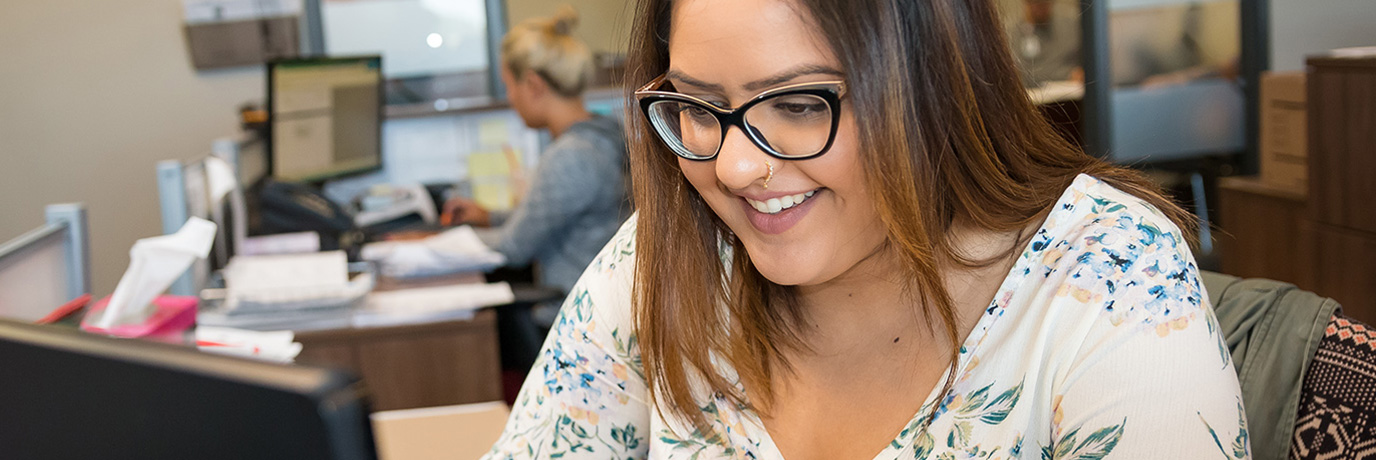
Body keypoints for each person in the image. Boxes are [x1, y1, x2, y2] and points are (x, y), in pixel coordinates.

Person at [483, 0, 1248, 458]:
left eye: (802, 103)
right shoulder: (662, 260)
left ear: (933, 84)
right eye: (697, 106)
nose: (739, 168)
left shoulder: (1107, 277)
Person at [443, 6, 630, 298]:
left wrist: (438, 243)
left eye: (509, 86)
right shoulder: (603, 135)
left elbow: (513, 248)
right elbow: (546, 218)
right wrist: (489, 217)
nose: (510, 98)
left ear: (532, 84)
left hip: (571, 315)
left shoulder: (572, 156)